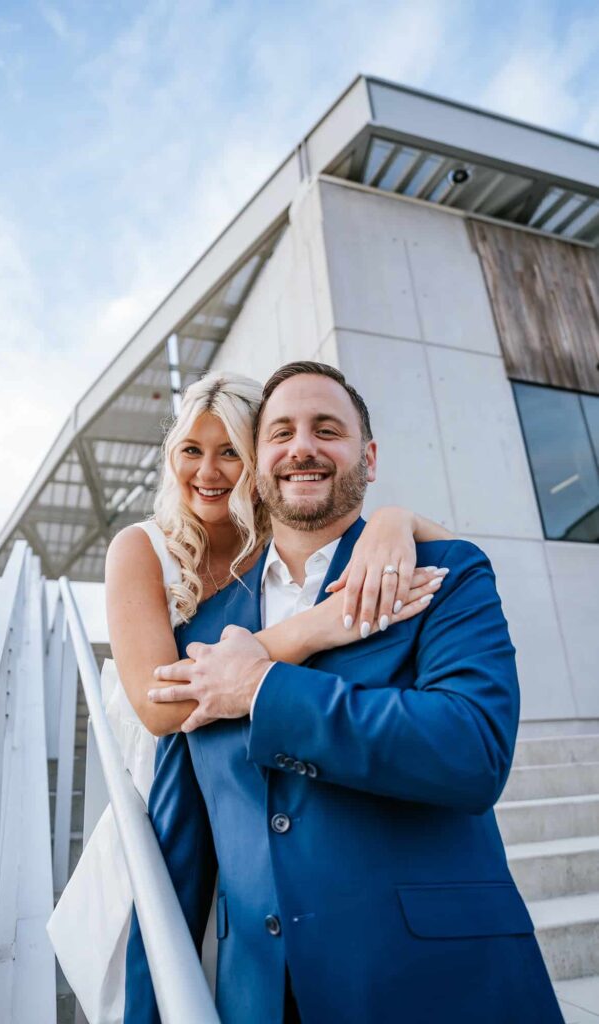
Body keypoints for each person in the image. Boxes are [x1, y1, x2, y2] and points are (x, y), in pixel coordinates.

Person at [125, 362, 564, 1024]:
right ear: (259, 461)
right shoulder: (202, 635)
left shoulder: (445, 573)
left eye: (326, 429)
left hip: (447, 989)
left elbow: (472, 751)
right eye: (281, 433)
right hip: (263, 1003)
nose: (301, 447)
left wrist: (267, 690)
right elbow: (178, 857)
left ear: (369, 455)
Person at [47, 370, 451, 1024]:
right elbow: (162, 706)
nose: (208, 470)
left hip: (258, 784)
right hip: (166, 799)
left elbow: (446, 549)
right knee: (161, 980)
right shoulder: (140, 548)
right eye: (191, 450)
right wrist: (315, 626)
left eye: (230, 450)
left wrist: (395, 520)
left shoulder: (279, 548)